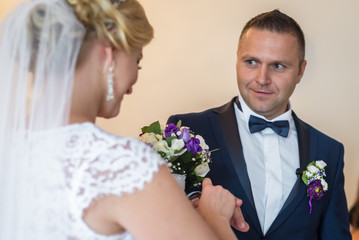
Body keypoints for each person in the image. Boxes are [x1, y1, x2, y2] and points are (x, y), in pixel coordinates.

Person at [0, 0, 249, 239]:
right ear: (109, 54)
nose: (132, 85)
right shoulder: (119, 164)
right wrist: (214, 216)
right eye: (137, 62)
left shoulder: (9, 149)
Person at [168, 9, 351, 240]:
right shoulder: (188, 132)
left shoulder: (329, 151)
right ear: (237, 60)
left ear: (301, 71)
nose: (262, 79)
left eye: (278, 66)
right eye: (252, 62)